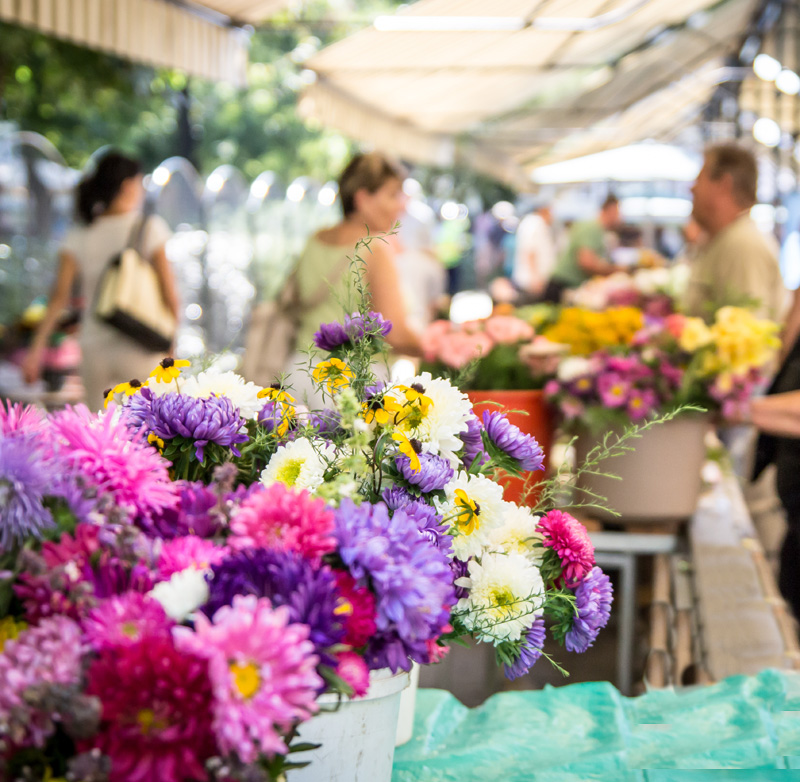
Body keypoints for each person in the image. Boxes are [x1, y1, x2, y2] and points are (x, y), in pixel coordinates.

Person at [22, 150, 178, 410]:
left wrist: (35, 351)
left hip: (95, 351)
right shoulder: (149, 228)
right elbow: (169, 295)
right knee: (148, 436)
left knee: (102, 434)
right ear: (128, 185)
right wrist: (172, 344)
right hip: (143, 344)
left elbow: (59, 298)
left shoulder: (79, 234)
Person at [287, 152, 422, 403]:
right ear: (362, 198)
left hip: (298, 374)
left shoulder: (315, 240)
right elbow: (396, 334)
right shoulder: (375, 248)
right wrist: (437, 346)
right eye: (393, 195)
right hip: (349, 385)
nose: (401, 205)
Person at [684, 144, 785, 321]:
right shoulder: (725, 239)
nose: (692, 189)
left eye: (699, 179)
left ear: (723, 185)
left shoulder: (743, 244)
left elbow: (747, 337)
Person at [545, 194, 622, 301]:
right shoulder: (592, 227)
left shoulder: (597, 229)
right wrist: (616, 270)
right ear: (610, 210)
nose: (620, 217)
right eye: (618, 213)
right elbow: (587, 263)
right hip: (563, 285)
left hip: (567, 285)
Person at [511, 203, 557, 300]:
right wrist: (535, 278)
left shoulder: (535, 223)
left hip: (533, 280)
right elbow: (530, 250)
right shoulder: (535, 222)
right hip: (531, 281)